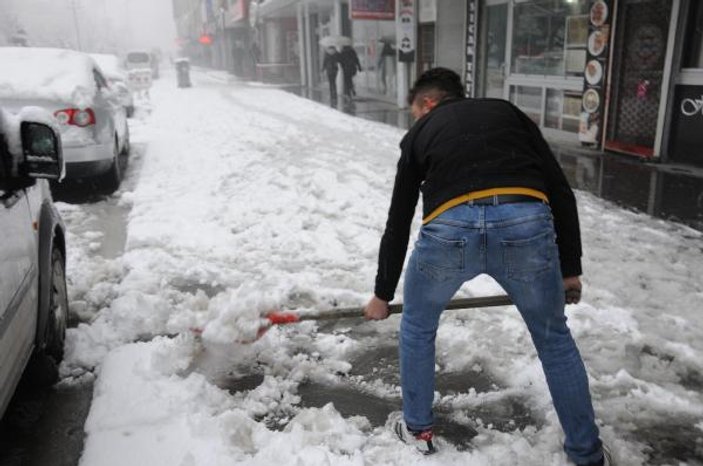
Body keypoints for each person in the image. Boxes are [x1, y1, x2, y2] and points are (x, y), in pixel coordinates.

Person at [363, 68, 611, 466]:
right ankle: (587, 454)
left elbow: (399, 217)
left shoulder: (420, 134)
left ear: (427, 104)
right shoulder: (508, 113)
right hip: (524, 222)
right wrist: (569, 269)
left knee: (417, 327)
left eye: (414, 111)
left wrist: (382, 294)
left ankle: (418, 430)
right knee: (554, 340)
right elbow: (560, 190)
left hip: (449, 226)